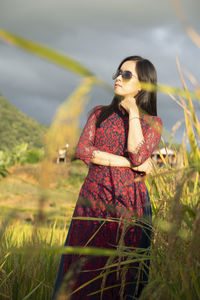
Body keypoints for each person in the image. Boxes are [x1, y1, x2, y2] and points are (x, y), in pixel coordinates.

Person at [52, 55, 163, 300]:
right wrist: (127, 163)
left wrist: (133, 111)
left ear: (142, 84)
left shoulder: (153, 123)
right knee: (84, 270)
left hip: (130, 206)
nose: (118, 78)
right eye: (118, 73)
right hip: (93, 200)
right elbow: (83, 150)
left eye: (126, 75)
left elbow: (137, 152)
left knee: (121, 274)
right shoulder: (99, 114)